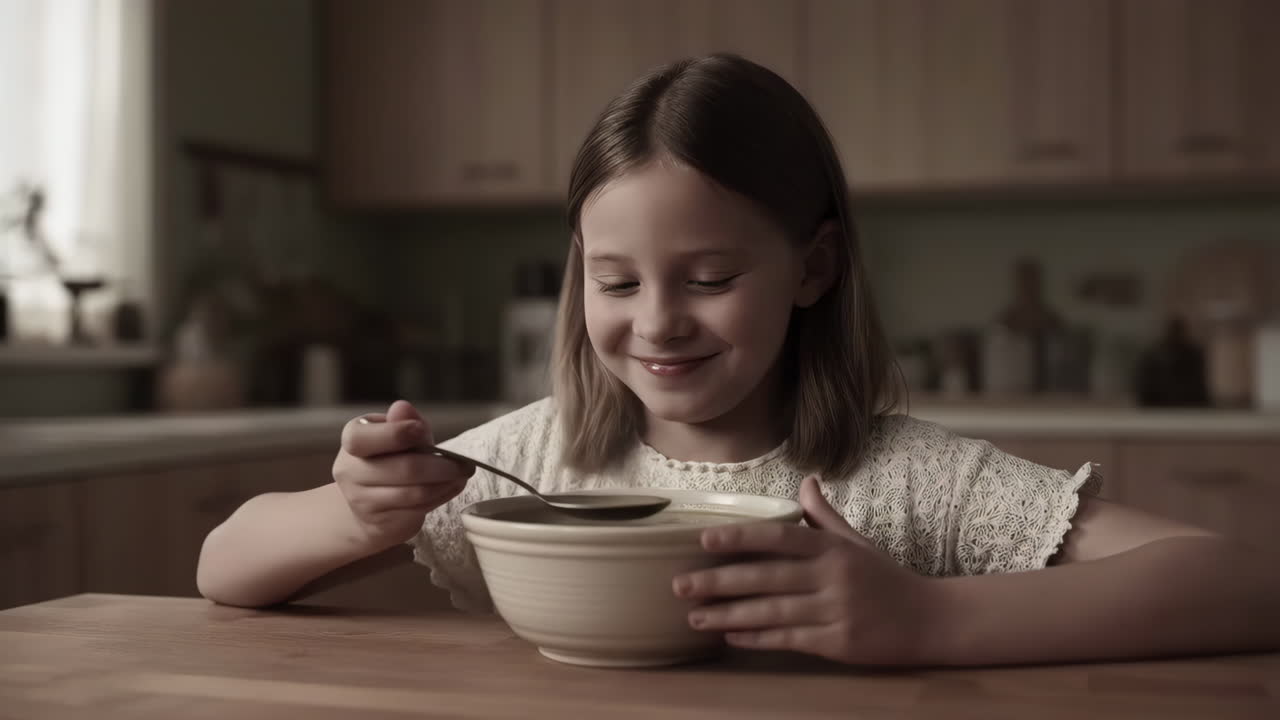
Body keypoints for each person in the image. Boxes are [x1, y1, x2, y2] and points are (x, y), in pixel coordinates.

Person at [197, 54, 1278, 666]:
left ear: (810, 268)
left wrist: (925, 618)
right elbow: (223, 568)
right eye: (614, 282)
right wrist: (355, 511)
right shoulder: (525, 461)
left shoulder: (909, 483)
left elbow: (1246, 582)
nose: (655, 323)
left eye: (708, 279)